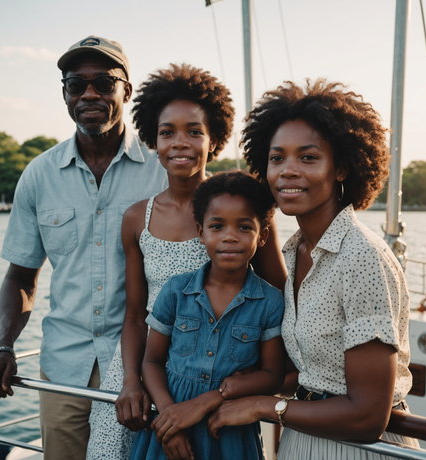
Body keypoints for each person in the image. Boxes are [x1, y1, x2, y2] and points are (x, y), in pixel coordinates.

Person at [0, 35, 167, 460]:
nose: (89, 94)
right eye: (76, 84)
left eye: (104, 82)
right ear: (64, 94)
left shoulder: (163, 170)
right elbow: (21, 277)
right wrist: (2, 345)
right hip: (62, 370)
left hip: (145, 370)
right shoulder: (39, 175)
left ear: (127, 91)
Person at [206, 79, 419, 459]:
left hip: (360, 448)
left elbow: (369, 414)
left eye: (307, 157)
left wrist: (261, 407)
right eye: (277, 158)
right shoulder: (299, 250)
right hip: (303, 438)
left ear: (341, 168)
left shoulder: (361, 257)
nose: (287, 171)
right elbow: (311, 368)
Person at [86, 63, 287, 459]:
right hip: (147, 372)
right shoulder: (136, 218)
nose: (180, 142)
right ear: (152, 140)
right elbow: (133, 316)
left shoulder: (243, 210)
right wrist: (130, 380)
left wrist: (255, 382)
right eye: (167, 132)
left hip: (216, 381)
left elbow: (278, 297)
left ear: (213, 139)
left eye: (194, 131)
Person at [129, 171, 285, 460]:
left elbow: (273, 375)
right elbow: (151, 361)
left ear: (262, 235)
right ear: (201, 233)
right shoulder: (176, 290)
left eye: (244, 227)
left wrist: (215, 397)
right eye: (217, 226)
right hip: (168, 428)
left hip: (229, 432)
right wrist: (169, 418)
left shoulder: (271, 302)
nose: (229, 236)